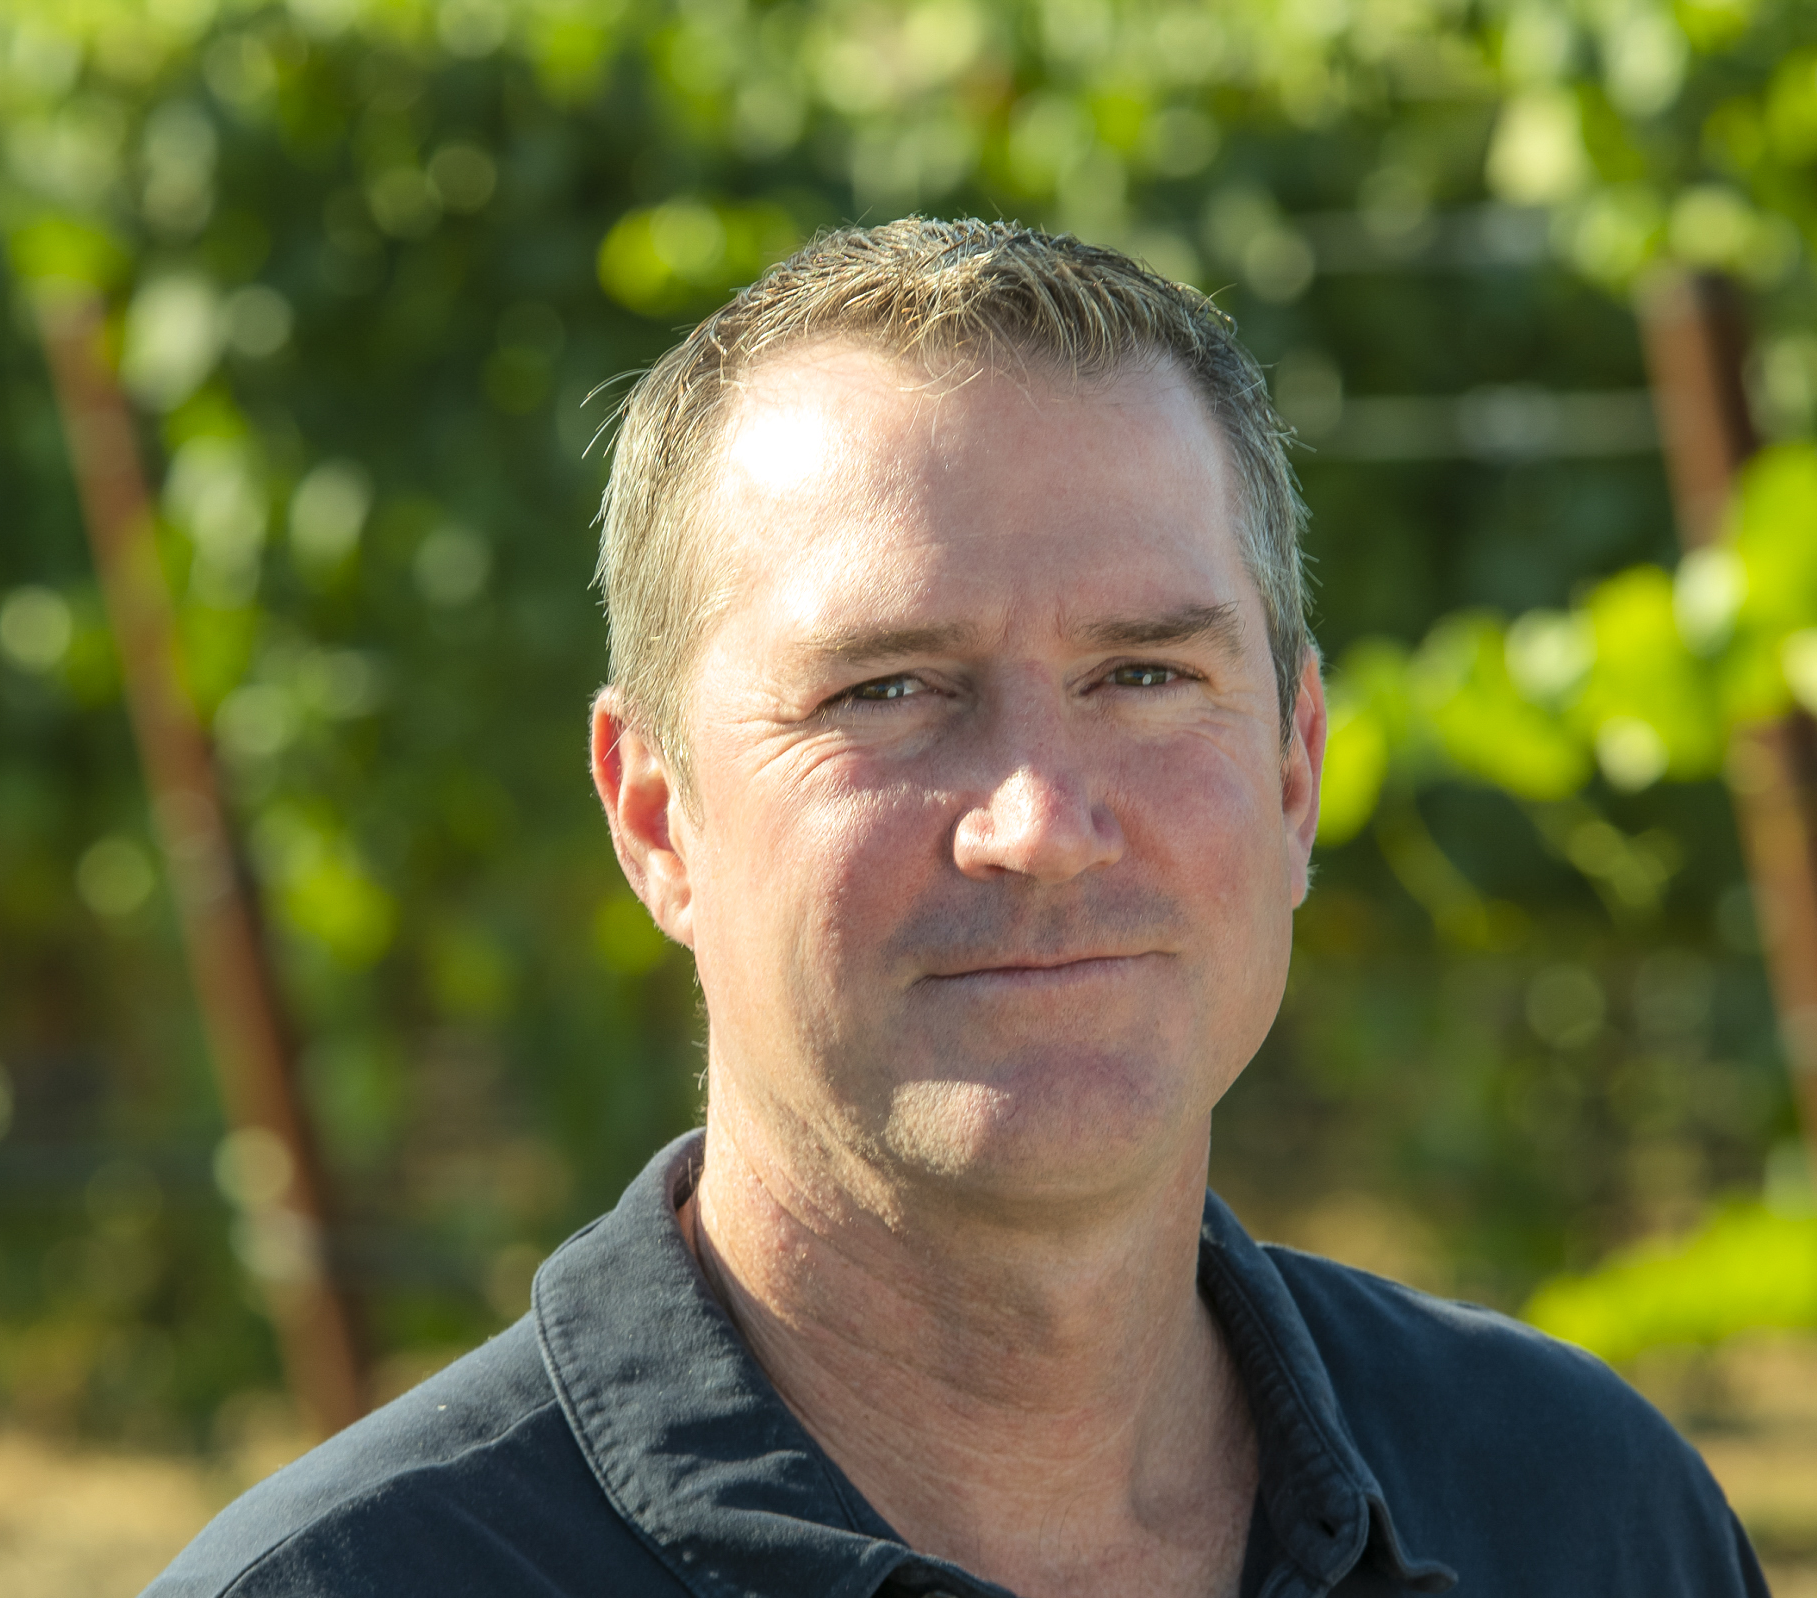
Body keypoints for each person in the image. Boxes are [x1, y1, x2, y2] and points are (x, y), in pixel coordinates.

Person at [143, 219, 1769, 1598]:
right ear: (655, 814)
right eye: (893, 688)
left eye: (1145, 673)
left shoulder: (1588, 1519)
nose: (1042, 826)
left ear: (1293, 769)